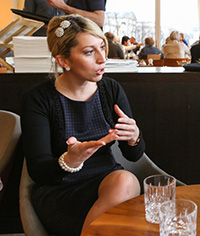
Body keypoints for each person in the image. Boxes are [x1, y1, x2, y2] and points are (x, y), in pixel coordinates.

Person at [21, 14, 145, 236]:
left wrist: (134, 136)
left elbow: (133, 155)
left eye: (102, 48)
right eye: (89, 52)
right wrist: (69, 160)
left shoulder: (111, 89)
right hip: (61, 191)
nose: (102, 59)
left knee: (126, 180)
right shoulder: (38, 99)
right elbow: (38, 171)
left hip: (109, 184)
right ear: (63, 61)